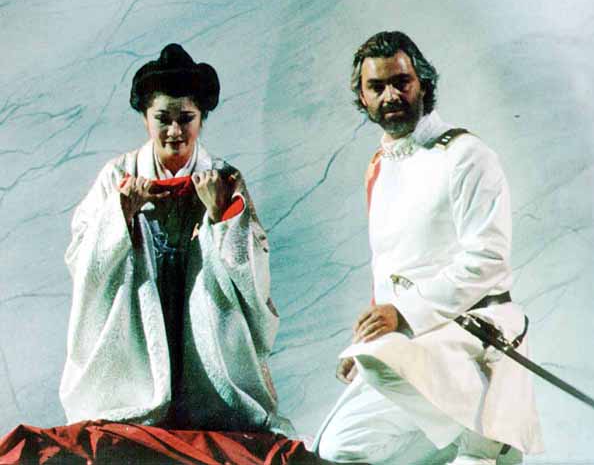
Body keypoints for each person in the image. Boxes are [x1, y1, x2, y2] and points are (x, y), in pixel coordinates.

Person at [314, 31, 543, 464]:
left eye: (401, 82)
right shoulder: (379, 167)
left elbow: (487, 261)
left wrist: (401, 315)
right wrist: (369, 340)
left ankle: (486, 435)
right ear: (362, 97)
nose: (390, 96)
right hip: (409, 341)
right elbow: (390, 269)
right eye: (377, 87)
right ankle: (482, 434)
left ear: (423, 83)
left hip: (472, 333)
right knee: (338, 449)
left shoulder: (466, 154)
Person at [59, 43, 289, 434]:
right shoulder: (118, 175)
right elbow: (81, 258)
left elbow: (254, 268)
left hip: (205, 321)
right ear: (145, 119)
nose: (175, 132)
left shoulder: (224, 178)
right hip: (137, 320)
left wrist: (221, 214)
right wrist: (120, 214)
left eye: (187, 118)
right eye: (162, 119)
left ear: (202, 119)